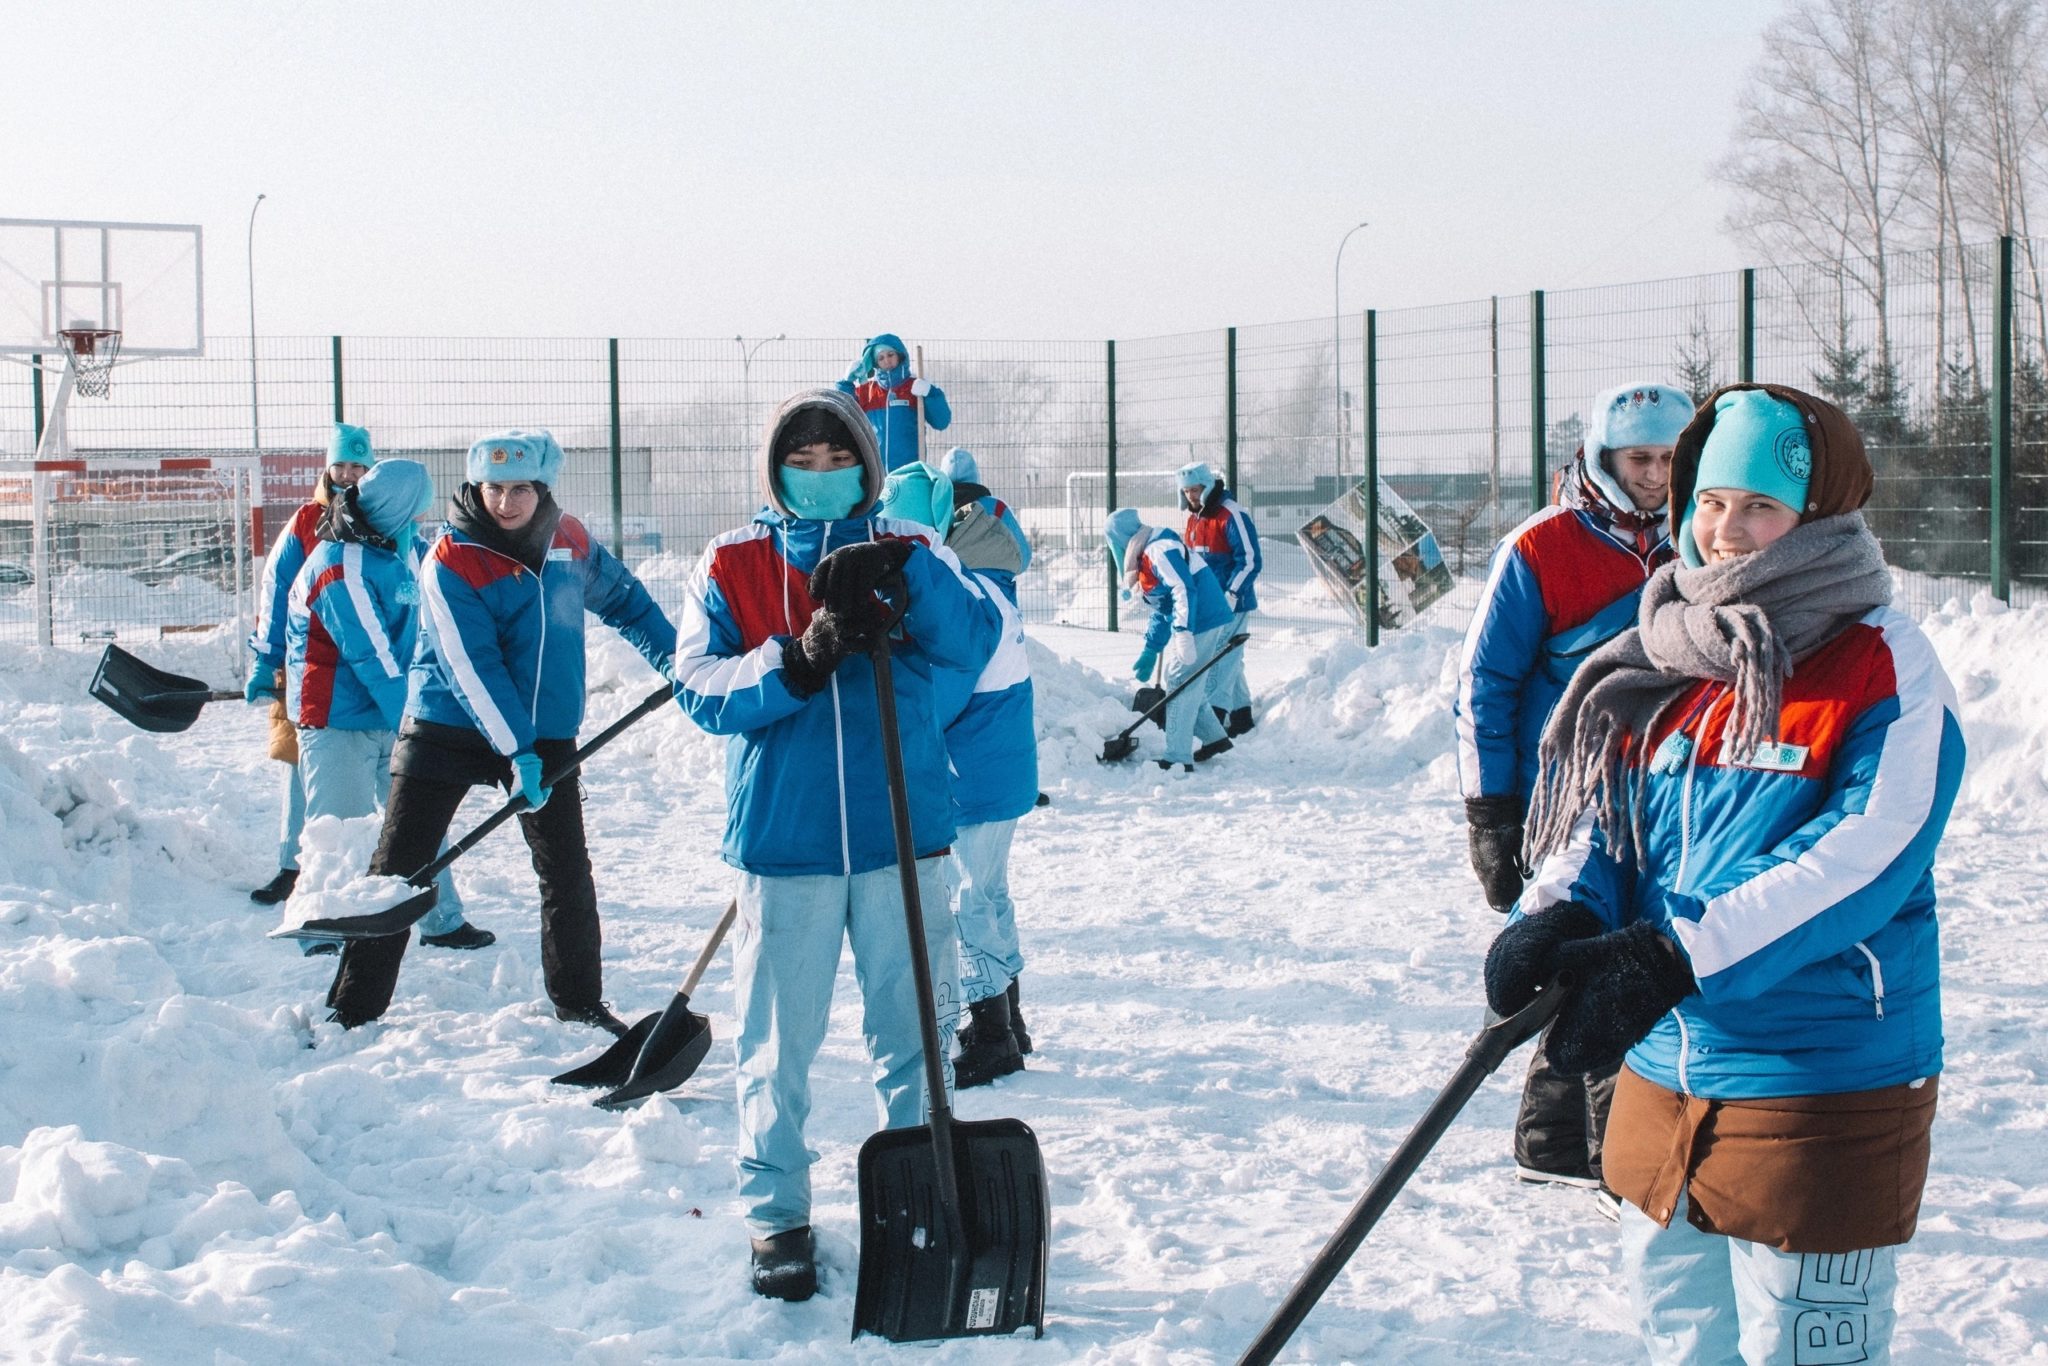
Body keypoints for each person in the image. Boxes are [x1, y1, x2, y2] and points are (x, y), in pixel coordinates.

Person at [1484, 383, 1964, 1364]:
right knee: (1678, 1334)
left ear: (1817, 514)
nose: (1725, 529)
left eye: (1758, 505)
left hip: (1816, 1083)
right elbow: (1614, 822)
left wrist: (1672, 951)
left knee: (1802, 1350)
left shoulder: (1881, 662)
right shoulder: (1676, 649)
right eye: (1706, 501)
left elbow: (1858, 853)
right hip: (1664, 1072)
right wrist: (1563, 904)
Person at [669, 389, 998, 1302]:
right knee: (778, 1046)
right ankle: (778, 1216)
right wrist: (799, 659)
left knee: (917, 1036)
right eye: (799, 465)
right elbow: (695, 687)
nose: (819, 478)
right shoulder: (732, 561)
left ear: (864, 466)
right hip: (788, 841)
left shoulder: (913, 547)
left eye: (837, 461)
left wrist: (908, 584)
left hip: (904, 833)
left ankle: (924, 1188)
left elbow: (975, 641)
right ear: (775, 473)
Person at [320, 430, 677, 1031]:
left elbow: (626, 601)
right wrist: (520, 753)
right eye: (493, 489)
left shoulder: (570, 541)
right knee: (399, 870)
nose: (505, 503)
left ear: (541, 489)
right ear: (475, 488)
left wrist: (676, 660)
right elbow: (471, 668)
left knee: (566, 870)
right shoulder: (451, 558)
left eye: (519, 490)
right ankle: (352, 1009)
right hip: (448, 726)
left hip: (543, 730)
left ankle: (579, 1001)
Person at [1453, 379, 1692, 1195]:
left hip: (1661, 786)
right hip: (1560, 795)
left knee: (1620, 953)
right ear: (1601, 454)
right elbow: (1484, 682)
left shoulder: (1700, 538)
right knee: (1576, 951)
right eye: (1640, 458)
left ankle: (1553, 1140)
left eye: (1669, 458)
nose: (1656, 475)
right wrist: (1490, 812)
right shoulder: (1539, 547)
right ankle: (1604, 1153)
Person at [283, 459, 487, 952]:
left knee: (417, 819)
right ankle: (323, 927)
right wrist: (419, 722)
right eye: (414, 512)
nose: (419, 521)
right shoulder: (337, 565)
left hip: (390, 712)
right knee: (340, 828)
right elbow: (372, 657)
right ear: (393, 510)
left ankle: (441, 920)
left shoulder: (400, 549)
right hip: (337, 719)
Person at [879, 459, 1037, 1088]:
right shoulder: (983, 583)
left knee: (968, 902)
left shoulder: (963, 599)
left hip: (971, 778)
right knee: (989, 895)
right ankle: (1009, 1019)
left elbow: (933, 704)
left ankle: (994, 1034)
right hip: (996, 773)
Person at [245, 422, 373, 905]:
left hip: (370, 670)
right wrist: (267, 656)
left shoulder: (385, 518)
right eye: (341, 464)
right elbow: (276, 592)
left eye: (359, 466)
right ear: (327, 467)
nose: (348, 474)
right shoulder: (304, 522)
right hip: (308, 669)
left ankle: (390, 862)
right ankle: (291, 865)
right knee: (299, 765)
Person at [1104, 507, 1235, 772]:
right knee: (1187, 681)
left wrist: (1184, 631)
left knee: (1178, 681)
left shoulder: (1158, 549)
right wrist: (1151, 649)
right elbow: (1164, 607)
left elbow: (1183, 589)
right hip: (1199, 620)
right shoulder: (1144, 555)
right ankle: (1214, 738)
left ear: (1121, 540)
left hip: (1202, 620)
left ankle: (1177, 756)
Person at [1177, 460, 1262, 738]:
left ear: (1209, 486)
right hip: (1208, 606)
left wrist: (1232, 594)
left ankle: (1213, 722)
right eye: (1187, 490)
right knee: (1229, 656)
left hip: (1231, 603)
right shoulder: (1194, 518)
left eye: (1196, 489)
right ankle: (1241, 716)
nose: (1191, 495)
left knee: (1218, 659)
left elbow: (1250, 561)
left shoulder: (1231, 515)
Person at [836, 332, 950, 471]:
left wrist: (931, 393)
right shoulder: (868, 391)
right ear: (875, 363)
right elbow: (844, 414)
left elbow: (941, 422)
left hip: (909, 471)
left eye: (890, 355)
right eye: (881, 358)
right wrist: (846, 383)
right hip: (875, 472)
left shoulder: (915, 388)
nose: (887, 361)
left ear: (900, 355)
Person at [936, 445, 1031, 601]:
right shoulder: (997, 508)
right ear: (976, 476)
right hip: (1000, 602)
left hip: (950, 600)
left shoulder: (937, 512)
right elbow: (1024, 557)